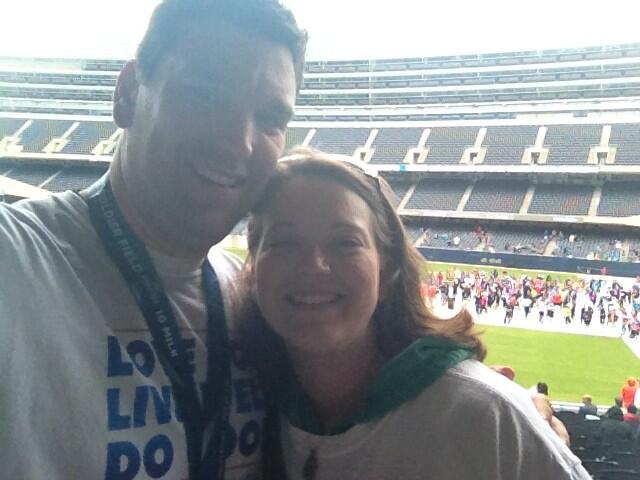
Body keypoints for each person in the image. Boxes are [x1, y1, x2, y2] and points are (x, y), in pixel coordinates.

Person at [0, 1, 306, 478]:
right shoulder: (16, 259)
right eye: (206, 95)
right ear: (127, 95)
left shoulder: (254, 300)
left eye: (270, 118)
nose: (239, 142)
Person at [237, 150, 590, 479]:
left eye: (345, 242)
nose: (314, 266)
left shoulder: (484, 414)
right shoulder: (241, 398)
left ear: (387, 271)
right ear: (253, 270)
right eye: (283, 243)